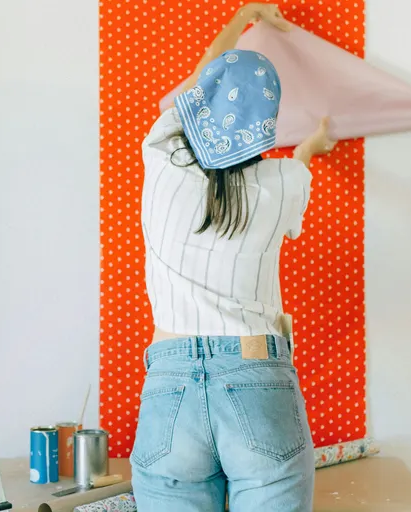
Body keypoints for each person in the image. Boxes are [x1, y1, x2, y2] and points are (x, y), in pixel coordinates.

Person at [132, 3, 337, 511]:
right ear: (267, 123)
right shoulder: (283, 184)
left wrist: (244, 17)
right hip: (255, 375)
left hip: (170, 381)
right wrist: (312, 145)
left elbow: (203, 79)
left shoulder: (161, 155)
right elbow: (297, 165)